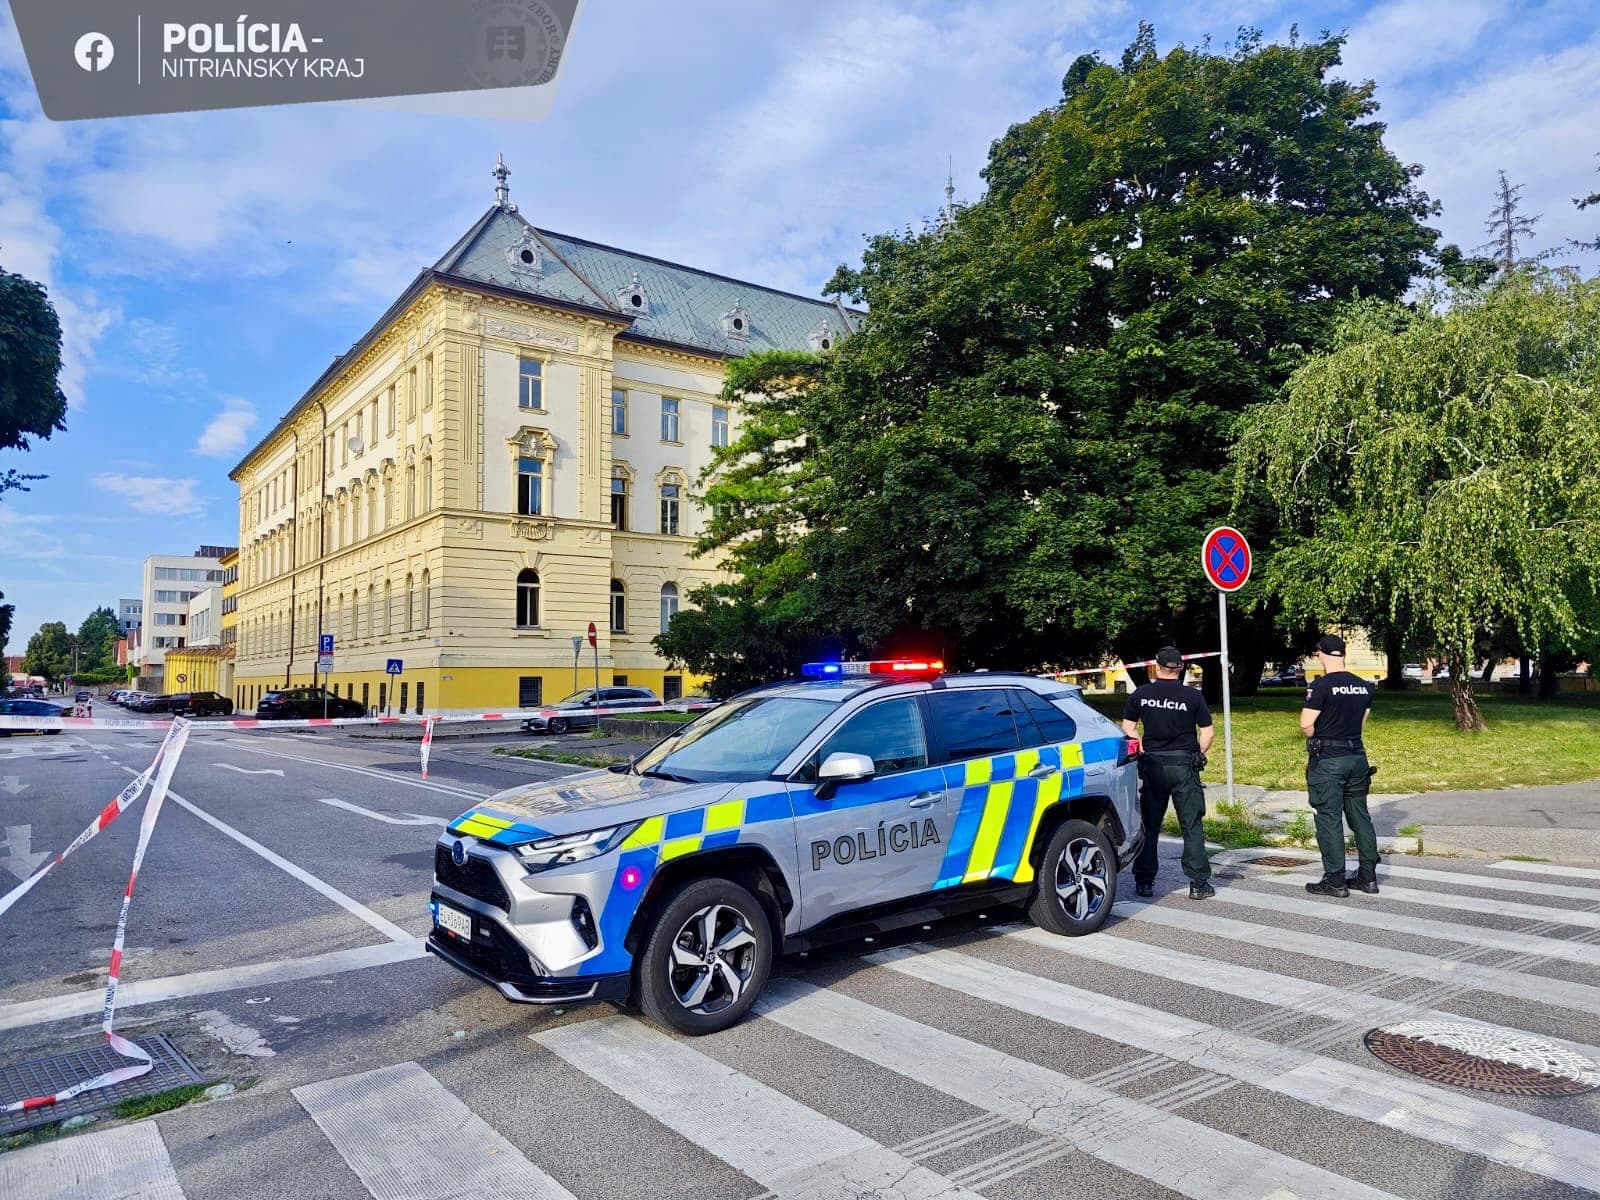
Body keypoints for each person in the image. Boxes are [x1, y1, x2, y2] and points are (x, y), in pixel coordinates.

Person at [1122, 647, 1215, 900]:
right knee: (1192, 824)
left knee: (1150, 825)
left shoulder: (1141, 695)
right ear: (1181, 668)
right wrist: (1199, 752)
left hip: (1153, 764)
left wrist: (1140, 746)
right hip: (1184, 765)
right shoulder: (1192, 697)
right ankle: (1198, 883)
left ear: (1156, 665)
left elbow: (1128, 727)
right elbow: (1208, 732)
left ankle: (1144, 881)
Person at [1300, 634, 1379, 897]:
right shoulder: (1365, 687)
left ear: (1321, 654)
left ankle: (1334, 879)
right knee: (1360, 815)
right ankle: (1368, 877)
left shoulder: (1320, 686)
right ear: (1343, 655)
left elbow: (1306, 725)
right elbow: (1361, 725)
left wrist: (1318, 734)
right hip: (1357, 757)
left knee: (1329, 817)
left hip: (1329, 762)